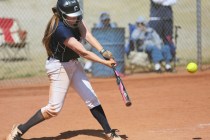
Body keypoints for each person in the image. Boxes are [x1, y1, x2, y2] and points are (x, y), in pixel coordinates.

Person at [6, 0, 124, 140]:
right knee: (54, 109)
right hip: (59, 67)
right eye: (71, 16)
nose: (75, 18)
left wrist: (103, 51)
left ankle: (109, 132)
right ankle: (19, 130)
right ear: (62, 14)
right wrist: (104, 62)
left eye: (76, 15)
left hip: (73, 64)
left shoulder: (76, 19)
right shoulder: (60, 29)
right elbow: (83, 53)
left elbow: (87, 34)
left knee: (91, 98)